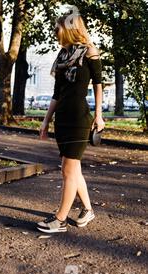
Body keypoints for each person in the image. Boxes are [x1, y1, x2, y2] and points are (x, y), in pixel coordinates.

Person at [37, 12, 105, 233]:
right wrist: (46, 121)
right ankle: (88, 210)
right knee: (73, 170)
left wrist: (99, 115)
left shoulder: (89, 53)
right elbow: (57, 93)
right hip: (63, 119)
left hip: (79, 118)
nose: (56, 32)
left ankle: (60, 220)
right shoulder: (63, 56)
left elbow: (98, 84)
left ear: (70, 28)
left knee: (68, 170)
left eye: (58, 28)